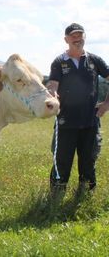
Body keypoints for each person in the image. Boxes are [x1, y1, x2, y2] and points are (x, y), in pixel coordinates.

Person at [47, 23, 109, 198]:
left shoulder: (95, 60)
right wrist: (53, 95)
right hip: (65, 122)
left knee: (88, 162)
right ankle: (56, 199)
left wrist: (106, 104)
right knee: (61, 162)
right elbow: (53, 85)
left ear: (85, 38)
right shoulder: (60, 62)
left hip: (90, 121)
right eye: (73, 36)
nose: (77, 39)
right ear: (66, 39)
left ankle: (85, 198)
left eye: (80, 35)